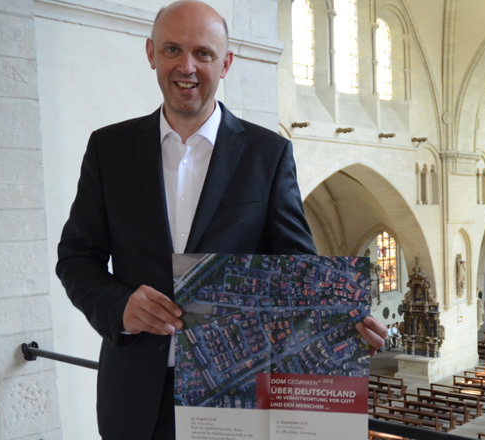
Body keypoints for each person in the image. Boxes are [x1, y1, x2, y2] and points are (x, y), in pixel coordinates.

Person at [56, 2, 386, 439]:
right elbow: (77, 257)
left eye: (204, 54)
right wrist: (120, 307)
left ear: (225, 63)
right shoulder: (108, 149)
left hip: (235, 398)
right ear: (151, 53)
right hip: (134, 397)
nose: (186, 67)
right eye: (172, 49)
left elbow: (295, 274)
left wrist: (342, 323)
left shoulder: (267, 155)